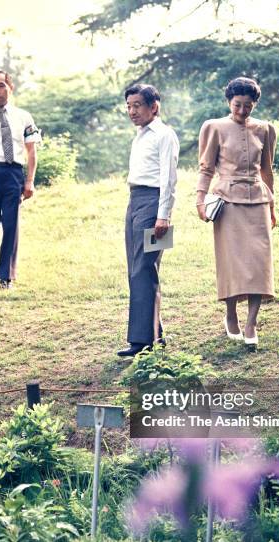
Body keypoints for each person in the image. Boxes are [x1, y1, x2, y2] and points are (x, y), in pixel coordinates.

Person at [196, 77, 276, 350]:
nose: (242, 111)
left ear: (255, 104)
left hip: (259, 202)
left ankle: (252, 322)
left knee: (259, 263)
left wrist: (273, 206)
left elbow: (267, 171)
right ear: (229, 102)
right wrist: (199, 200)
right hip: (227, 202)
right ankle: (230, 313)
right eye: (237, 105)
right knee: (231, 262)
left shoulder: (265, 129)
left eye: (248, 106)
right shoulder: (214, 127)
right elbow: (206, 168)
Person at [117, 84, 179, 358]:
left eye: (137, 105)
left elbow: (168, 179)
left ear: (154, 106)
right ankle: (154, 335)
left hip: (154, 205)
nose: (132, 111)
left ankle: (143, 342)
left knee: (145, 268)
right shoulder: (140, 135)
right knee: (137, 269)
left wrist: (164, 214)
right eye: (129, 106)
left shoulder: (164, 135)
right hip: (135, 201)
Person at [0, 70, 41, 289]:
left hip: (13, 174)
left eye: (1, 85)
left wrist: (29, 181)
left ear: (10, 88)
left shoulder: (24, 117)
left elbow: (31, 152)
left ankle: (6, 276)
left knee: (11, 225)